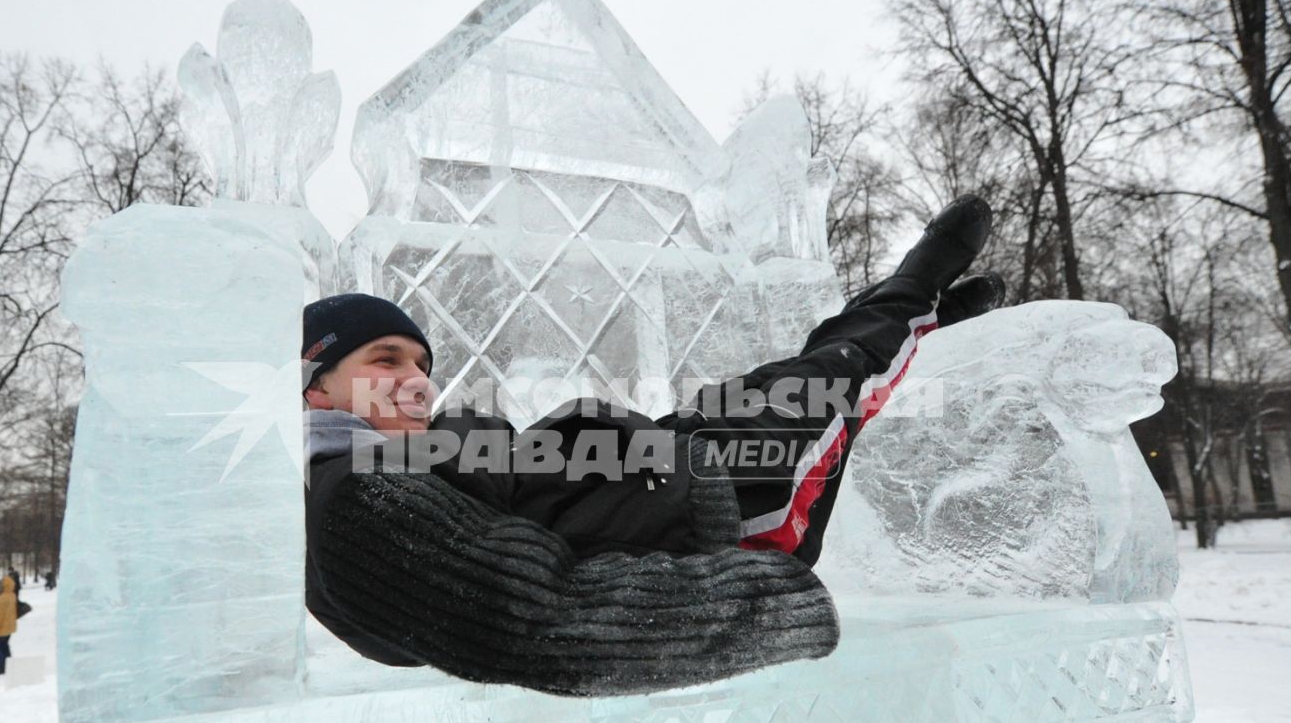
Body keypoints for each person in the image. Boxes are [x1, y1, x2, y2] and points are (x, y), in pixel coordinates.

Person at [303, 195, 1002, 697]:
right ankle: (912, 297)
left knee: (804, 380)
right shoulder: (357, 502)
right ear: (313, 385)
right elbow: (538, 621)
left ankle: (914, 315)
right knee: (834, 380)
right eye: (386, 360)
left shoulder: (390, 468)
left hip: (665, 462)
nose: (417, 383)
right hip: (709, 508)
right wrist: (773, 607)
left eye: (422, 365)